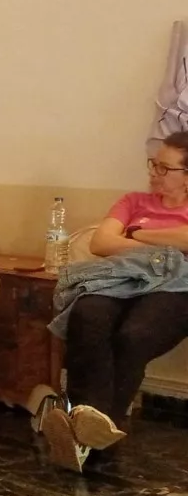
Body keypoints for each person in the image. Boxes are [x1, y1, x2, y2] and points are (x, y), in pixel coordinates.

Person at [32, 132, 188, 472]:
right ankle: (89, 426)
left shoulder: (143, 220)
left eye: (165, 168)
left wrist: (136, 235)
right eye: (154, 164)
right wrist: (166, 245)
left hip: (175, 289)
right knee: (87, 313)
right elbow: (102, 243)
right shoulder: (133, 201)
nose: (154, 173)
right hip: (122, 280)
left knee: (134, 335)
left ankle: (87, 431)